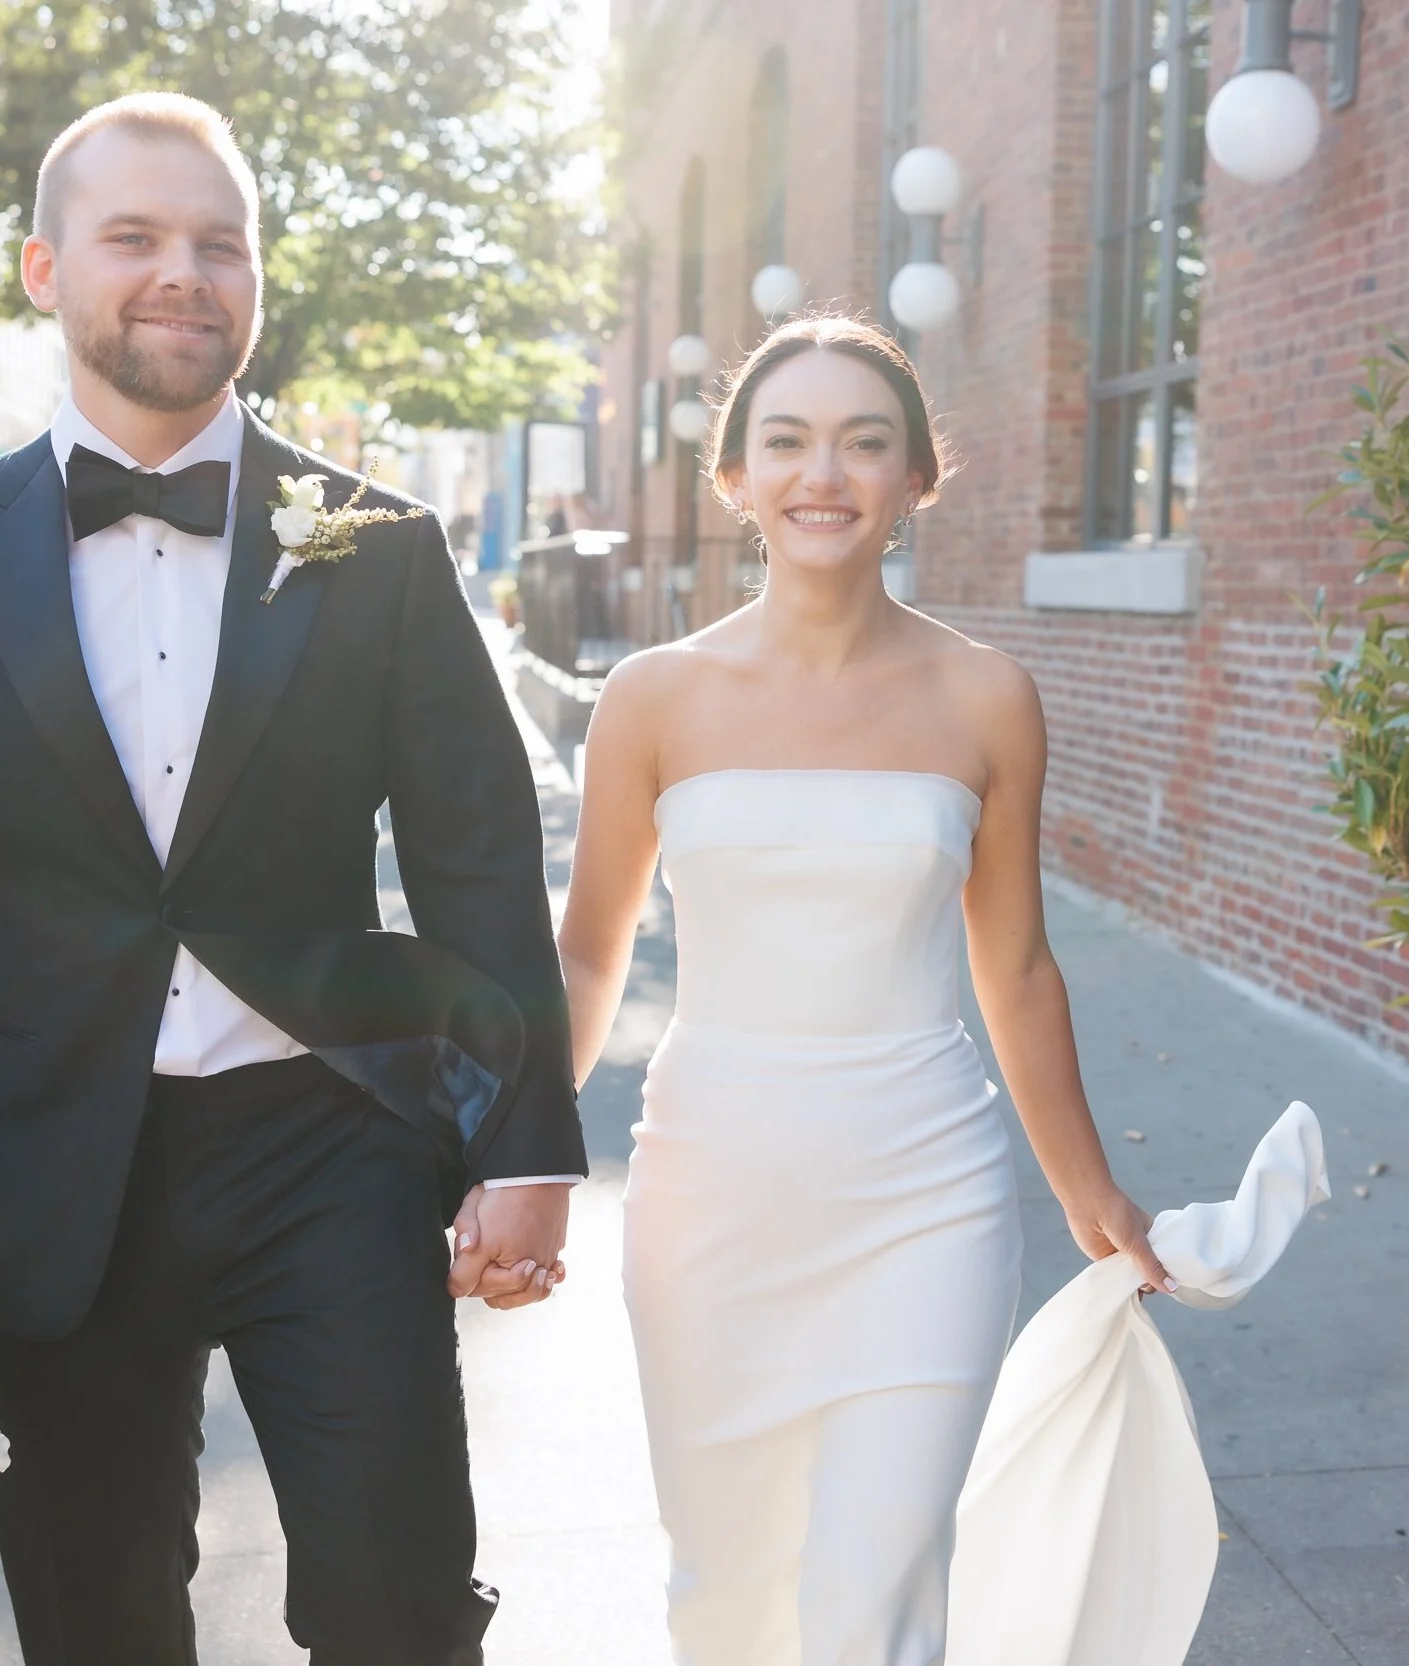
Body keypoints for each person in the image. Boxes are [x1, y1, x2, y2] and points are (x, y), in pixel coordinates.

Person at [0, 93, 586, 1666]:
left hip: (331, 1147)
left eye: (221, 244)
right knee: (97, 1621)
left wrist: (529, 1135)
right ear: (41, 266)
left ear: (258, 283)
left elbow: (479, 855)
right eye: (134, 236)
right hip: (58, 1163)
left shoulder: (380, 546)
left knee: (398, 1602)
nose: (181, 273)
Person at [557, 313, 1172, 1664]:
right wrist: (514, 1153)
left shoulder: (986, 696)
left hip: (924, 1194)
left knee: (871, 1600)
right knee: (725, 1591)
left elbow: (1013, 964)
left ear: (914, 479)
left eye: (861, 442)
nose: (820, 473)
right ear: (735, 480)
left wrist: (1088, 1190)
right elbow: (592, 949)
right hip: (709, 1187)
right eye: (784, 441)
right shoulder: (655, 699)